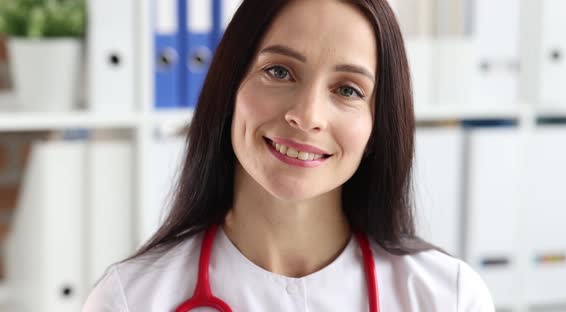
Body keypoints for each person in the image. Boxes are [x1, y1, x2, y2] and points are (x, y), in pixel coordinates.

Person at [83, 0, 495, 311]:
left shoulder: (448, 298)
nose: (307, 115)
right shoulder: (129, 300)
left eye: (348, 90)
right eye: (279, 71)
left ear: (376, 127)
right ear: (230, 89)